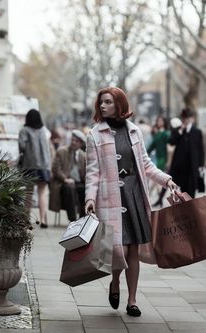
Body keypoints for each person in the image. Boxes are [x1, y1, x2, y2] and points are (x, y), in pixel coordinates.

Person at [85, 87, 177, 317]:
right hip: (110, 198)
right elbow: (92, 172)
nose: (103, 106)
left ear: (119, 104)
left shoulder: (134, 131)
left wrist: (168, 181)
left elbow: (146, 165)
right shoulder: (94, 135)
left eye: (108, 102)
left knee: (133, 249)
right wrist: (89, 198)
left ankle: (133, 300)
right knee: (119, 248)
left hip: (134, 195)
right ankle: (115, 282)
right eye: (101, 102)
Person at [18, 109, 51, 228]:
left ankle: (26, 220)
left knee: (29, 193)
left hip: (29, 166)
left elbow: (22, 147)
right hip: (44, 166)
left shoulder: (24, 130)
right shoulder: (43, 130)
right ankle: (43, 220)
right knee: (42, 193)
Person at [49, 129, 86, 222]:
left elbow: (86, 173)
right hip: (63, 183)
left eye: (76, 141)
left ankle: (82, 220)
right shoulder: (62, 151)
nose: (73, 142)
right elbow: (55, 169)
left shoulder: (83, 156)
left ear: (81, 144)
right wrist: (65, 179)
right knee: (69, 188)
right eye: (72, 140)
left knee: (87, 190)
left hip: (79, 183)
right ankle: (73, 219)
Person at [168, 107, 204, 198]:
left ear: (192, 118)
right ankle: (186, 210)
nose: (186, 120)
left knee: (191, 191)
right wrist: (180, 131)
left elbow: (200, 150)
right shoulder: (179, 130)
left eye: (188, 118)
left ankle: (191, 210)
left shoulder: (197, 132)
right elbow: (171, 142)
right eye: (184, 118)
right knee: (183, 191)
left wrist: (201, 165)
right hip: (181, 167)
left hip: (192, 166)